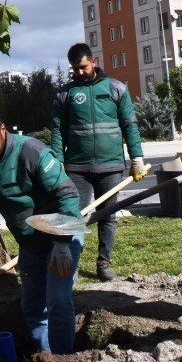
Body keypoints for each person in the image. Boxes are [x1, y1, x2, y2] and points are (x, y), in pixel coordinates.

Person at [0, 108, 83, 355]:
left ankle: (64, 361)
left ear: (3, 129)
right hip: (30, 244)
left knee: (57, 301)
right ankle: (46, 358)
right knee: (33, 307)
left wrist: (63, 242)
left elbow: (67, 193)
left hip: (60, 238)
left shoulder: (31, 152)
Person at [50, 43, 147, 281]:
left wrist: (137, 156)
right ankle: (70, 264)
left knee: (108, 215)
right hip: (77, 167)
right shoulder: (65, 94)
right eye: (75, 69)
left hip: (111, 165)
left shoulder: (116, 88)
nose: (79, 72)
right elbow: (57, 130)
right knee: (73, 215)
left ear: (93, 62)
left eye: (83, 67)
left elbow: (129, 124)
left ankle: (104, 263)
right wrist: (57, 160)